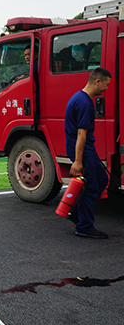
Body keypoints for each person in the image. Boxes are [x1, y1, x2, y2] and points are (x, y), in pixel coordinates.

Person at [64, 67, 111, 239]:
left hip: (85, 149)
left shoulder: (79, 98)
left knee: (101, 179)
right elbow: (81, 134)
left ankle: (77, 212)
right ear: (97, 82)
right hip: (83, 150)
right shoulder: (84, 103)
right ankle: (84, 226)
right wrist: (78, 161)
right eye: (106, 84)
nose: (107, 88)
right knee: (93, 185)